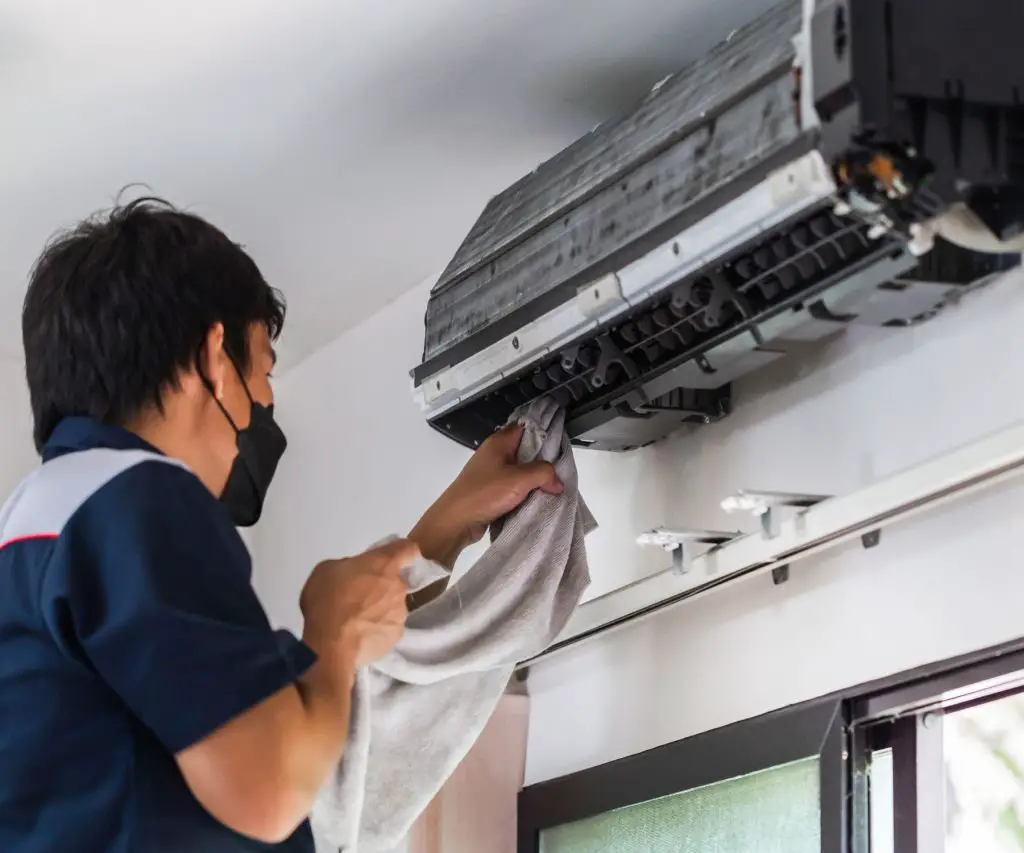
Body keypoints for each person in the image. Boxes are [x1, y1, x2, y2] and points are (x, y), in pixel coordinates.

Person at [0, 198, 562, 852]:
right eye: (263, 371)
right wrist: (333, 629)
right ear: (215, 357)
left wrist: (446, 527)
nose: (264, 403)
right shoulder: (135, 498)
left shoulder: (42, 524)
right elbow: (271, 788)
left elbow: (279, 718)